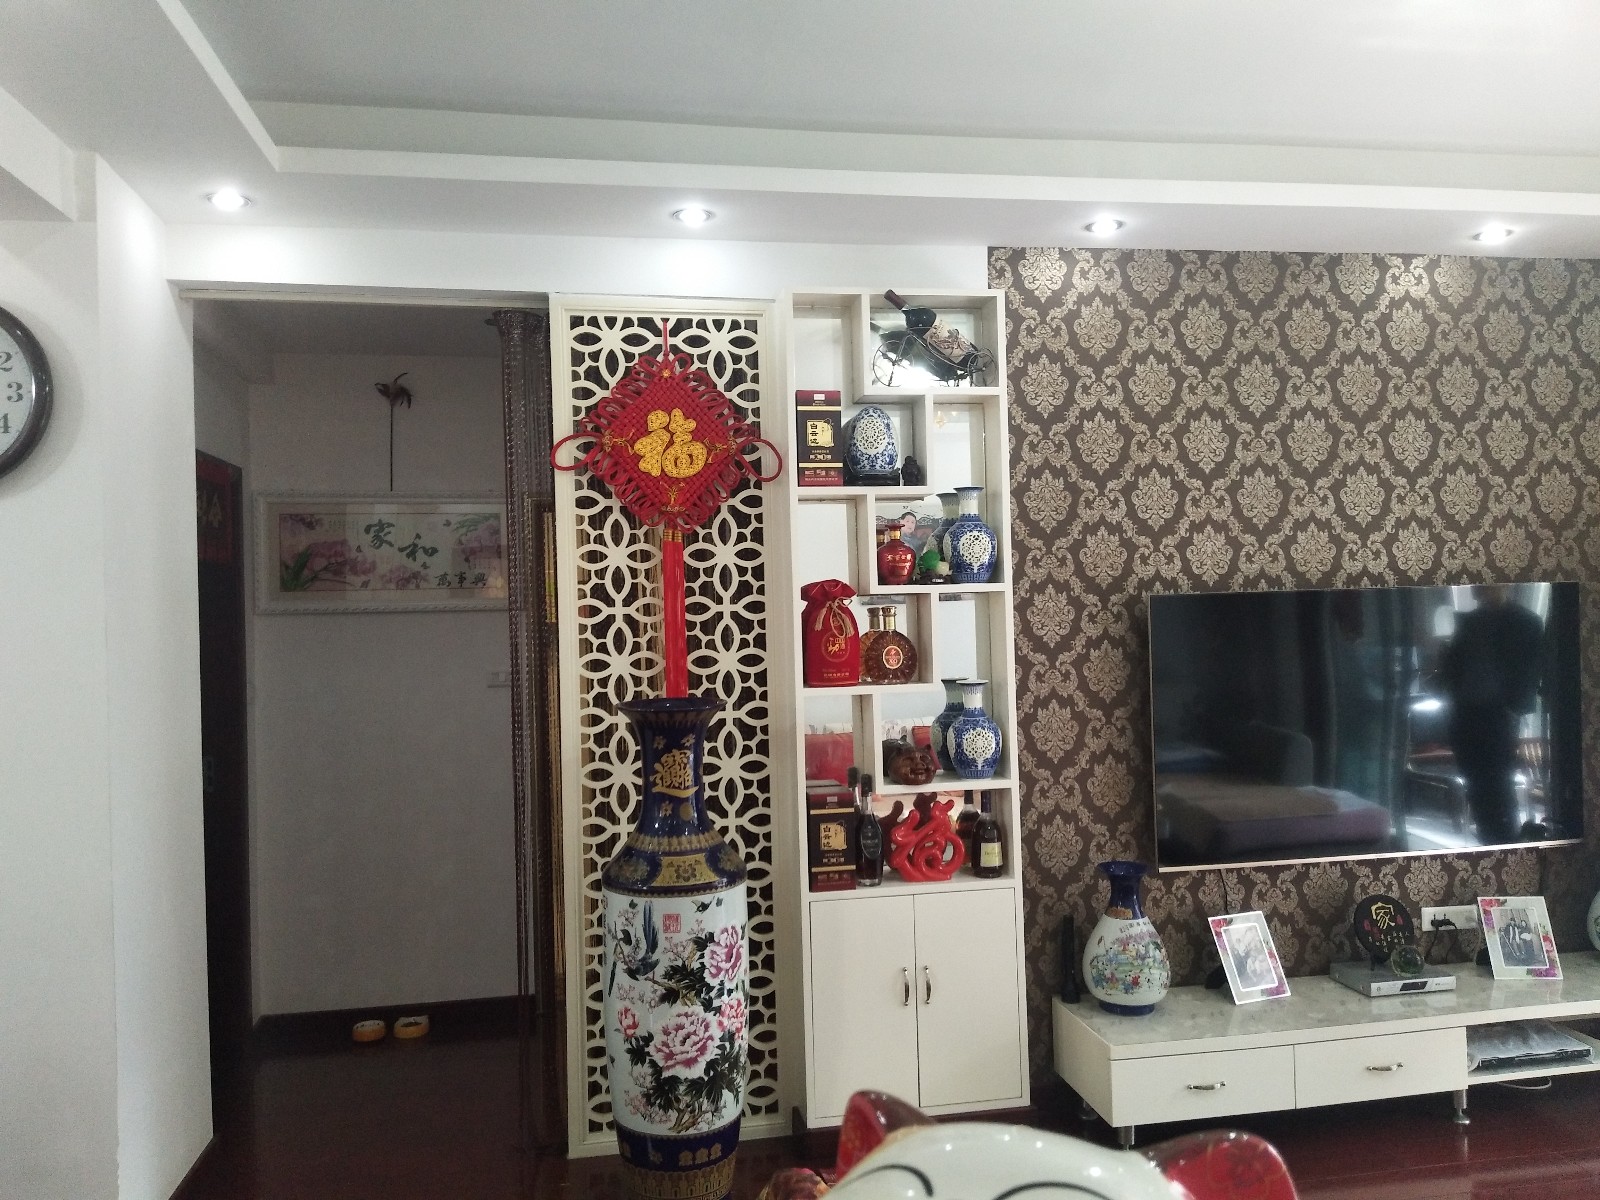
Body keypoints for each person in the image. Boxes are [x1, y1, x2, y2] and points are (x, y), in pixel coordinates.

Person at [1440, 586, 1544, 845]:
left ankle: (1504, 844)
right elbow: (1453, 669)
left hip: (1498, 715)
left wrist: (1513, 708)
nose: (1477, 587)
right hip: (1466, 715)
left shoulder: (1526, 622)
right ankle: (1491, 842)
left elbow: (1531, 670)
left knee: (1499, 785)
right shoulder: (1468, 622)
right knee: (1477, 785)